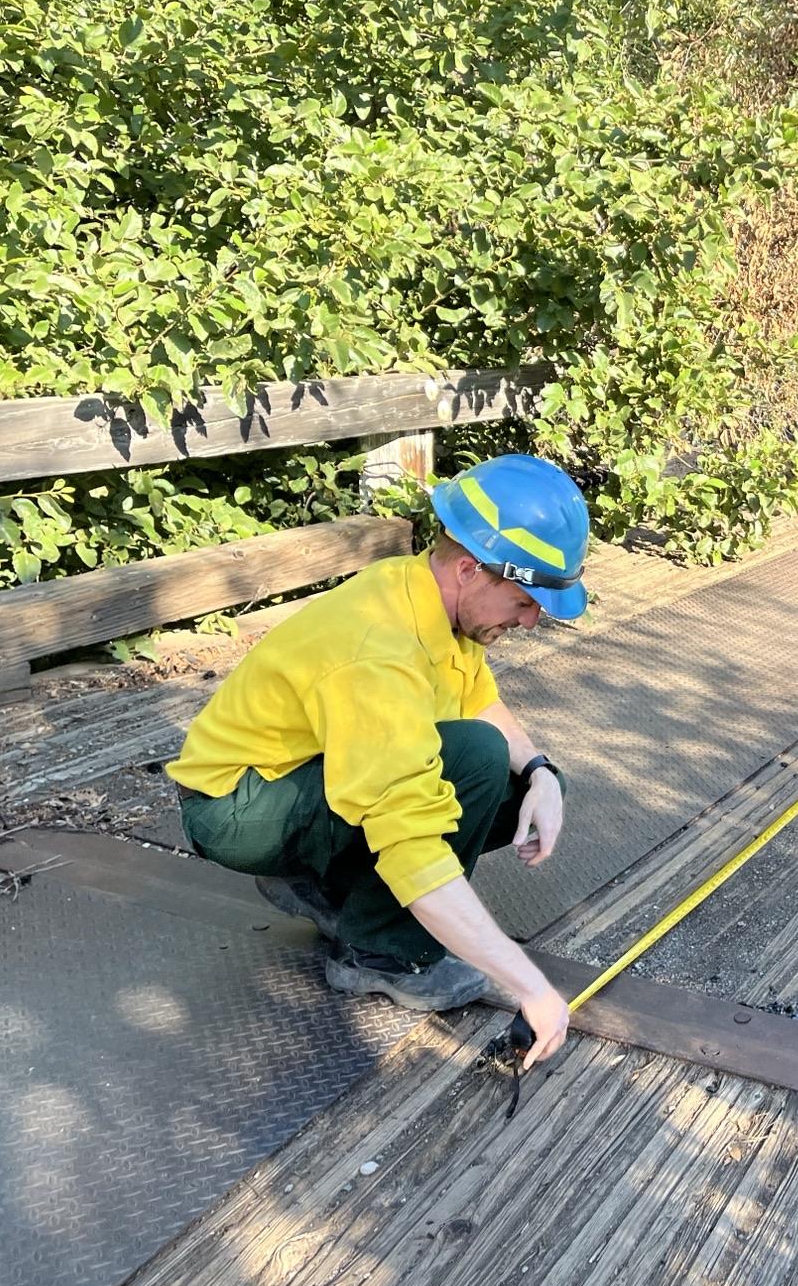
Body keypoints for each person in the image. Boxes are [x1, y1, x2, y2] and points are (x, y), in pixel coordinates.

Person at [167, 453, 585, 1067]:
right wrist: (531, 988)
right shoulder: (378, 650)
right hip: (238, 806)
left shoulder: (433, 601)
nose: (532, 620)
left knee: (509, 776)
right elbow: (413, 844)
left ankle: (331, 890)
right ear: (473, 569)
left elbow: (477, 698)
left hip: (308, 778)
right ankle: (382, 957)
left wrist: (543, 772)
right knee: (474, 758)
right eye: (525, 602)